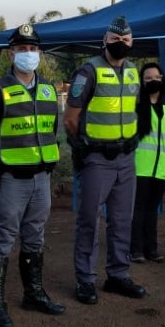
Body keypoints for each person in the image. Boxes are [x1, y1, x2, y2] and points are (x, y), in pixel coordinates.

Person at [0, 23, 66, 327]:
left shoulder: (49, 89)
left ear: (39, 53)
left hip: (41, 177)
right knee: (2, 240)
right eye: (22, 49)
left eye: (33, 49)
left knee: (35, 236)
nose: (28, 54)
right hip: (10, 178)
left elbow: (51, 131)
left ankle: (33, 294)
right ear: (11, 53)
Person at [64, 15, 146, 304]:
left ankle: (118, 275)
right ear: (105, 41)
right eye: (115, 40)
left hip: (126, 158)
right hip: (97, 158)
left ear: (131, 42)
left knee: (122, 220)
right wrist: (83, 148)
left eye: (125, 40)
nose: (120, 44)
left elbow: (136, 110)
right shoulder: (88, 72)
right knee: (89, 220)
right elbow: (71, 118)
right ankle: (85, 280)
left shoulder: (134, 72)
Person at [129, 62, 165, 263]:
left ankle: (152, 249)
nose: (153, 81)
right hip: (140, 166)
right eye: (148, 78)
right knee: (138, 208)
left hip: (164, 166)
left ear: (162, 79)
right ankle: (136, 249)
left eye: (156, 77)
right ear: (141, 82)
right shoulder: (135, 106)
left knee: (153, 208)